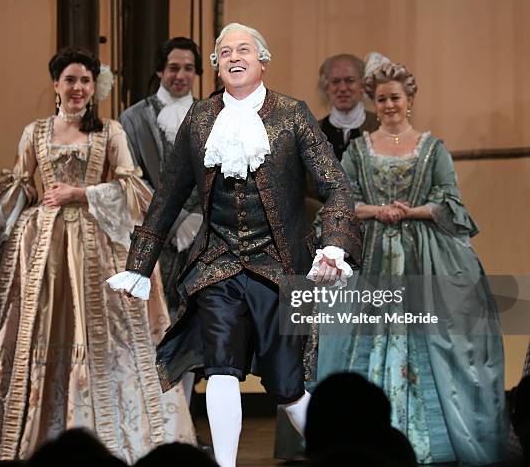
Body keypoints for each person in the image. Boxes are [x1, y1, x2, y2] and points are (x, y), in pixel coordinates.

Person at [107, 23, 363, 467]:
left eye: (243, 49)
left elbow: (336, 187)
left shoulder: (292, 114)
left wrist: (334, 245)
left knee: (288, 387)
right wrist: (139, 264)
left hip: (280, 266)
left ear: (262, 61)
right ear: (218, 66)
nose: (233, 57)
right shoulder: (201, 119)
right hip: (218, 263)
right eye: (225, 52)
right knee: (220, 365)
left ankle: (343, 456)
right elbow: (166, 198)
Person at [0, 48, 195, 462]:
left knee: (109, 339)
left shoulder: (110, 131)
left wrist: (81, 194)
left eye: (85, 80)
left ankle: (116, 435)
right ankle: (34, 432)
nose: (78, 88)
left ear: (94, 86)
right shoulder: (35, 132)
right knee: (38, 332)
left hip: (98, 247)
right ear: (56, 85)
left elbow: (132, 190)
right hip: (43, 248)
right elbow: (20, 189)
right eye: (70, 80)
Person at [315, 59, 506, 464]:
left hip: (423, 256)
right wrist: (377, 211)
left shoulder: (432, 148)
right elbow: (341, 201)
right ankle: (366, 437)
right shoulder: (359, 151)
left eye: (395, 98)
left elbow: (451, 202)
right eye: (381, 99)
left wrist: (410, 212)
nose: (388, 105)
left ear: (410, 100)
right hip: (373, 257)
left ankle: (433, 439)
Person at [120, 37, 203, 321]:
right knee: (155, 319)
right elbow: (131, 179)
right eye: (173, 68)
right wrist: (176, 220)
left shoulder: (215, 115)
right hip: (152, 230)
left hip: (203, 230)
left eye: (188, 68)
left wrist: (197, 217)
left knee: (198, 315)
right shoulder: (133, 118)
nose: (181, 75)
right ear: (159, 71)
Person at [317, 53, 379, 162]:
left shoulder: (379, 126)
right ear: (326, 87)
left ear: (363, 85)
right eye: (335, 81)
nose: (342, 88)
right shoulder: (313, 132)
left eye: (349, 80)